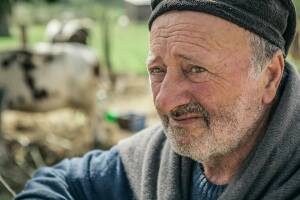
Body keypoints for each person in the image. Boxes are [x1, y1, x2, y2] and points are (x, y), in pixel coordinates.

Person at [15, 0, 300, 199]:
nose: (164, 101)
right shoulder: (146, 161)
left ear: (270, 77)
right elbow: (58, 183)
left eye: (196, 70)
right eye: (157, 71)